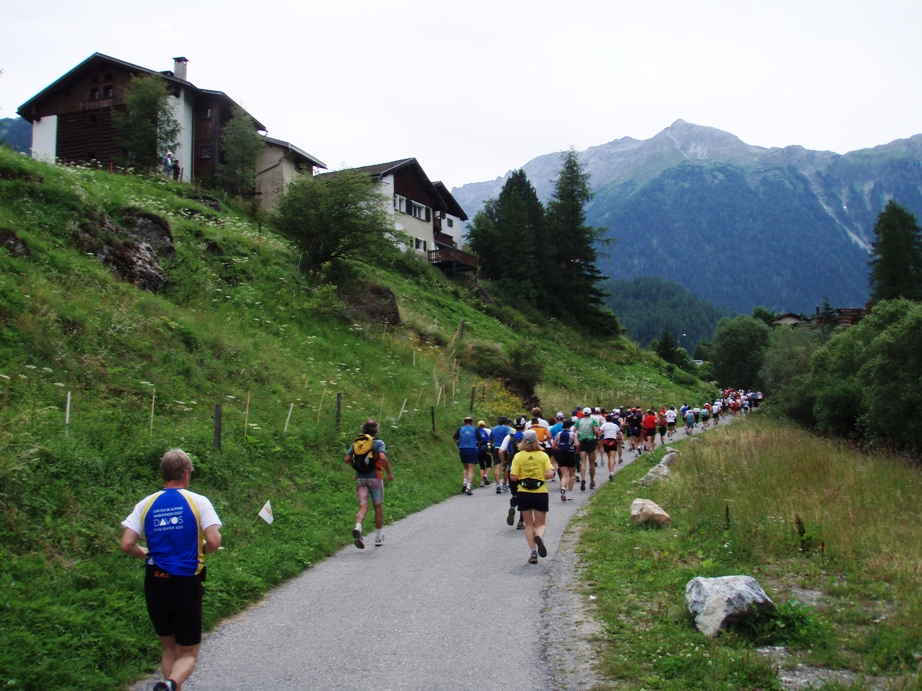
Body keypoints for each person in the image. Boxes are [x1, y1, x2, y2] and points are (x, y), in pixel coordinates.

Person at [120, 449, 222, 691]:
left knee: (168, 647)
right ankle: (171, 683)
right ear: (186, 473)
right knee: (188, 653)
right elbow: (215, 542)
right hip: (186, 582)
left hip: (155, 581)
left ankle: (168, 686)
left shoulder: (146, 503)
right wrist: (202, 549)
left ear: (164, 474)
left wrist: (146, 553)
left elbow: (126, 544)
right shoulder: (198, 501)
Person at [344, 419, 393, 548]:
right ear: (376, 430)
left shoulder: (358, 443)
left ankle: (358, 528)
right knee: (377, 506)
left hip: (361, 479)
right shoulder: (378, 443)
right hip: (376, 478)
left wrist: (360, 462)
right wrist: (388, 473)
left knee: (363, 507)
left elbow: (346, 459)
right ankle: (378, 537)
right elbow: (382, 457)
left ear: (363, 430)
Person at [509, 429, 555, 564]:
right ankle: (539, 536)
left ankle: (533, 552)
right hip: (540, 492)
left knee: (529, 524)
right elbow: (550, 474)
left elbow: (513, 477)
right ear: (536, 441)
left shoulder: (518, 456)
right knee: (540, 524)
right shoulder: (543, 455)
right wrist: (542, 475)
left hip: (523, 492)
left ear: (523, 441)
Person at [500, 417, 527, 529]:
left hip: (512, 469)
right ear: (524, 426)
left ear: (514, 427)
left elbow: (501, 451)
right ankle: (521, 522)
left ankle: (513, 506)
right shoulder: (528, 437)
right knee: (525, 495)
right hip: (525, 470)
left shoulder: (509, 437)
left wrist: (504, 464)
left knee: (515, 494)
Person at [575, 407, 600, 491]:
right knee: (592, 463)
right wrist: (597, 438)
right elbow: (596, 430)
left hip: (582, 442)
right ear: (590, 413)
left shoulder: (579, 421)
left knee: (583, 462)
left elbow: (573, 430)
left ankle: (582, 479)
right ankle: (592, 481)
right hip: (590, 441)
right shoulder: (593, 421)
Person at [552, 418, 577, 500]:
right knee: (572, 475)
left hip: (561, 455)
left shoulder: (559, 434)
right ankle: (570, 493)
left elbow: (553, 445)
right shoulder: (573, 434)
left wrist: (558, 449)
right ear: (570, 426)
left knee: (564, 475)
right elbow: (577, 444)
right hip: (570, 454)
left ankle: (563, 487)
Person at [453, 416, 479, 495]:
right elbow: (480, 439)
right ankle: (468, 487)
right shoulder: (474, 429)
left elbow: (454, 437)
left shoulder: (460, 429)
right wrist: (477, 444)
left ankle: (464, 482)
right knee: (471, 468)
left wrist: (458, 443)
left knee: (465, 467)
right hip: (472, 449)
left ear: (464, 422)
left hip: (462, 449)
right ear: (471, 422)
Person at [489, 416, 512, 493]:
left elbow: (490, 439)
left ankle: (498, 484)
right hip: (504, 449)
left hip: (496, 448)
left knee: (497, 467)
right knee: (505, 466)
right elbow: (509, 437)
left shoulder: (494, 429)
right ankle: (504, 485)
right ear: (506, 422)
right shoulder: (507, 428)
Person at [599, 413, 621, 481]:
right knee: (612, 457)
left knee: (609, 457)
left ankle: (609, 471)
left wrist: (599, 438)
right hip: (613, 441)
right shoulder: (615, 426)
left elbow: (600, 433)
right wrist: (617, 437)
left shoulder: (604, 425)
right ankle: (611, 472)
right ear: (612, 419)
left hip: (606, 441)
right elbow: (619, 435)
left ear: (606, 419)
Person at [476, 420, 493, 487]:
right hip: (486, 450)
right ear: (484, 425)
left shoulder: (477, 431)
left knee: (482, 467)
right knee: (489, 465)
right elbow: (491, 439)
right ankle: (486, 475)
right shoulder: (488, 430)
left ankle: (482, 482)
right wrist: (490, 448)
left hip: (479, 450)